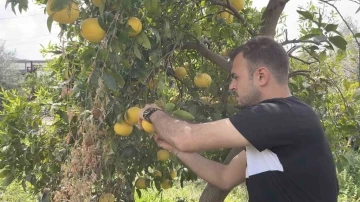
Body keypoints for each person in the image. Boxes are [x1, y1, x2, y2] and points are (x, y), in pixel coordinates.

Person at [138, 36, 339, 202]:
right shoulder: (275, 129)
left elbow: (188, 136)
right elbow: (224, 177)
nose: (231, 86)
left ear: (261, 76)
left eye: (236, 77)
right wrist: (175, 149)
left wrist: (152, 113)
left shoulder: (281, 115)